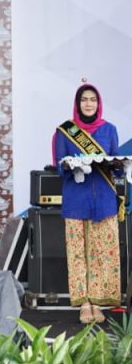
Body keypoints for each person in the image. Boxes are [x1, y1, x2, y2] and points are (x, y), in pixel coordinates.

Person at [52, 82, 123, 324]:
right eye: (84, 99)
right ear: (77, 103)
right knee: (77, 254)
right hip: (76, 201)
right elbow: (59, 166)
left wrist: (118, 165)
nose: (89, 103)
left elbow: (116, 166)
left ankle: (98, 302)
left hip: (104, 201)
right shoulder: (65, 131)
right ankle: (84, 304)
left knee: (102, 253)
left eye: (93, 99)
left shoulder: (109, 130)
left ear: (99, 103)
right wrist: (69, 165)